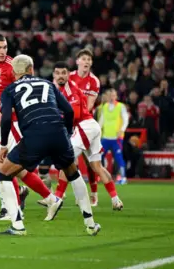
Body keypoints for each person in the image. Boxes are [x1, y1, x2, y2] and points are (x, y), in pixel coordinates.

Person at [0, 55, 100, 236]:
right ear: (31, 69)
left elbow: (5, 118)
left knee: (3, 173)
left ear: (14, 73)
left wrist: (3, 145)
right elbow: (68, 110)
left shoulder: (10, 89)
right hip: (58, 133)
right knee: (73, 173)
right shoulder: (49, 84)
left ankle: (18, 226)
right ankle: (90, 224)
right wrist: (66, 134)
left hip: (34, 136)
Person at [0, 34, 56, 221]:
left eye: (5, 47)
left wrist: (5, 111)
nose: (3, 51)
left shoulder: (12, 68)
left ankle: (15, 211)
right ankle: (47, 200)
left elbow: (22, 93)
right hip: (5, 123)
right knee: (16, 169)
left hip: (15, 122)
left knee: (5, 168)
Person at [52, 62, 123, 211]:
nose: (60, 76)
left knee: (66, 160)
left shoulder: (70, 90)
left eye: (63, 73)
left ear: (68, 74)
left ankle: (57, 198)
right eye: (57, 73)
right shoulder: (60, 91)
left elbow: (74, 115)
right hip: (90, 127)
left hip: (85, 126)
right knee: (97, 166)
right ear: (54, 75)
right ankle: (116, 200)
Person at [68, 49, 102, 204]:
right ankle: (78, 194)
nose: (87, 62)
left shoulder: (94, 81)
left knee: (90, 162)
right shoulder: (69, 77)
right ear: (77, 62)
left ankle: (94, 192)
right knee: (71, 160)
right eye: (84, 59)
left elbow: (88, 106)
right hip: (70, 122)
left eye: (89, 59)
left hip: (85, 123)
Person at [98, 88, 129, 184]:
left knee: (118, 157)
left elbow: (125, 119)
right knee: (99, 156)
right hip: (106, 137)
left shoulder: (121, 106)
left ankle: (123, 177)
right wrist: (97, 132)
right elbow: (101, 122)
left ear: (116, 96)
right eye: (110, 95)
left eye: (113, 95)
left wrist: (122, 130)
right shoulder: (105, 107)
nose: (111, 97)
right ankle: (102, 175)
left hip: (117, 137)